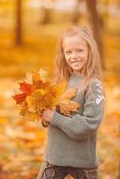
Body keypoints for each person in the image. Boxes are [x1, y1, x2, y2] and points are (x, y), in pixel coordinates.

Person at [37, 26, 105, 179]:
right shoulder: (59, 82)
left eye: (79, 50)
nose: (74, 56)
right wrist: (43, 116)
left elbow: (88, 126)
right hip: (54, 158)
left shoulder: (93, 86)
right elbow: (50, 116)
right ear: (63, 54)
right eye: (69, 52)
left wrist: (54, 118)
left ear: (90, 51)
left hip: (82, 162)